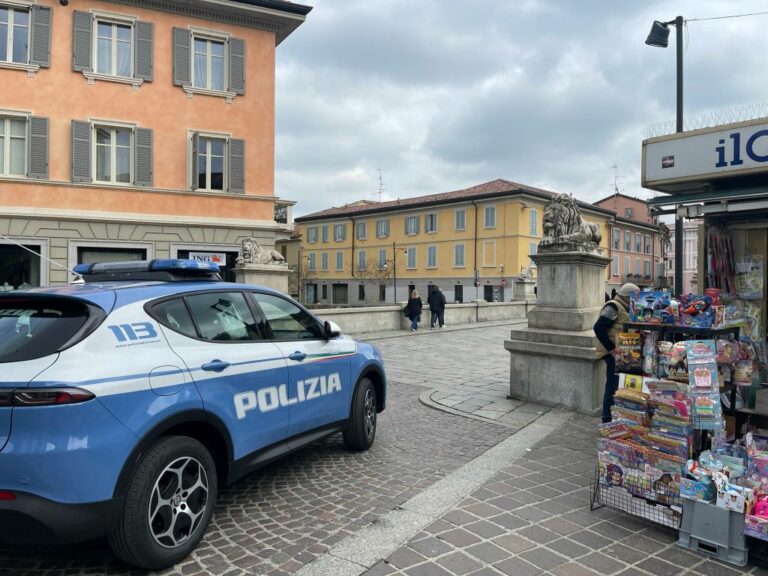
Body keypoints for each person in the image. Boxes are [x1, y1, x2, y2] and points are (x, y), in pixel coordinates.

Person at [594, 283, 639, 423]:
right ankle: (607, 420)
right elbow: (598, 328)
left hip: (625, 353)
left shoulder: (627, 307)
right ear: (627, 296)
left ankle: (617, 418)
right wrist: (612, 350)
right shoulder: (613, 306)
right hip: (614, 354)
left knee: (619, 387)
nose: (637, 300)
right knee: (612, 386)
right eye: (635, 296)